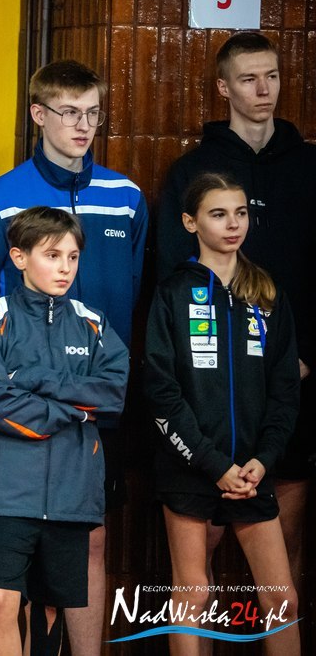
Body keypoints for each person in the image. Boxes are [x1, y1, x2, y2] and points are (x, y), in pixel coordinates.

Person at [0, 60, 147, 654]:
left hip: (92, 404)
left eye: (93, 113)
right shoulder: (0, 196)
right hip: (17, 417)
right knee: (1, 545)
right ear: (38, 114)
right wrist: (18, 376)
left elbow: (135, 292)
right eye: (69, 112)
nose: (83, 125)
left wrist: (87, 384)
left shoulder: (127, 196)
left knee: (90, 540)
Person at [156, 32, 315, 597]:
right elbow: (171, 280)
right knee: (199, 558)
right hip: (205, 398)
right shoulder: (193, 170)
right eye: (249, 78)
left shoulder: (308, 166)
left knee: (283, 551)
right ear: (224, 87)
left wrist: (303, 357)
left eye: (272, 76)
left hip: (291, 383)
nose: (263, 89)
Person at [0, 207, 129, 655]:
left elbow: (112, 393)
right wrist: (71, 411)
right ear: (19, 257)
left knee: (49, 611)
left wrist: (38, 381)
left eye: (72, 257)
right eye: (52, 256)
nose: (65, 268)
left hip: (73, 491)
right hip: (5, 490)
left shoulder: (94, 323)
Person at [144, 172, 299, 655]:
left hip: (252, 471)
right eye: (218, 214)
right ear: (190, 222)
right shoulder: (172, 293)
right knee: (193, 594)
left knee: (282, 600)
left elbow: (285, 390)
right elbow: (161, 391)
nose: (233, 224)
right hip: (191, 467)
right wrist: (213, 464)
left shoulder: (267, 294)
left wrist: (264, 460)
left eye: (241, 213)